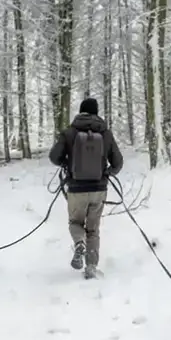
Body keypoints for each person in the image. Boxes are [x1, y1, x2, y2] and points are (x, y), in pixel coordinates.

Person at [49, 97, 124, 279]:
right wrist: (107, 172)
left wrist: (67, 163)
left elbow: (54, 157)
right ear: (96, 112)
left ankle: (79, 243)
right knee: (93, 229)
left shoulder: (70, 132)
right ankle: (91, 267)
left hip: (76, 188)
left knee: (75, 223)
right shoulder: (105, 133)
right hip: (99, 188)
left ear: (81, 111)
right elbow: (118, 162)